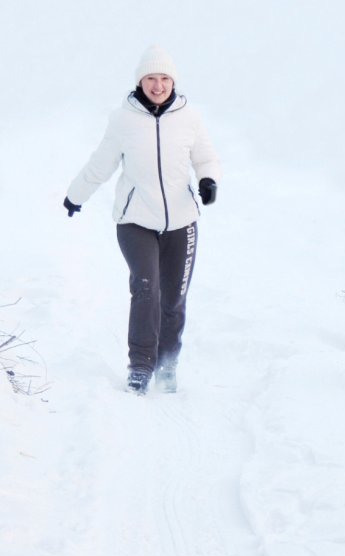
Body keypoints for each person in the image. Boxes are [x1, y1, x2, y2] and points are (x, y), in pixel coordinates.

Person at [63, 45, 222, 395]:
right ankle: (140, 366)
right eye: (151, 78)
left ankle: (167, 363)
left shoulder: (189, 117)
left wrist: (209, 180)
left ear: (173, 82)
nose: (158, 84)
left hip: (182, 222)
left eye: (165, 78)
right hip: (135, 221)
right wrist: (76, 195)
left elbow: (206, 157)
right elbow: (100, 164)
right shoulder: (122, 120)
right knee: (146, 288)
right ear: (140, 81)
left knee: (174, 298)